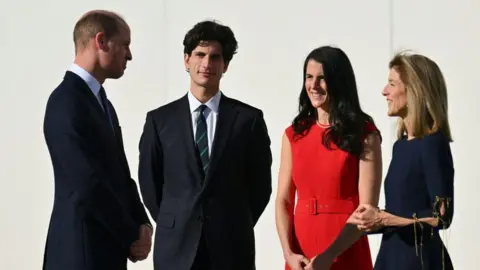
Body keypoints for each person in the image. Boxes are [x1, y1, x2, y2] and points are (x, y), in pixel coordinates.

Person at [138, 20, 272, 270]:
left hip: (231, 246)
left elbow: (260, 187)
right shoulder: (159, 120)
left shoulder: (248, 120)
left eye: (215, 57)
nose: (207, 64)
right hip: (176, 248)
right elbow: (149, 183)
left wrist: (231, 222)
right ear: (186, 60)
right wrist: (178, 221)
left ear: (226, 65)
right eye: (199, 54)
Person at [42, 10, 152, 270]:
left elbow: (120, 175)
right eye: (125, 44)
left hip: (105, 252)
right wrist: (129, 235)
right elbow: (86, 183)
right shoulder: (66, 102)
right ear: (101, 41)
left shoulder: (103, 104)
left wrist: (142, 223)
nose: (129, 55)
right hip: (79, 253)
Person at [275, 45, 383, 270]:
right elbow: (284, 200)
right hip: (300, 253)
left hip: (346, 248)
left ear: (339, 81)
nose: (313, 86)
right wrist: (289, 254)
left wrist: (330, 255)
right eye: (309, 77)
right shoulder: (293, 135)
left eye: (322, 78)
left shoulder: (364, 134)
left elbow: (366, 210)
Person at [350, 52, 455, 270]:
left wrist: (384, 219)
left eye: (392, 84)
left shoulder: (433, 143)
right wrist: (371, 221)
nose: (384, 91)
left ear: (414, 91)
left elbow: (442, 219)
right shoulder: (401, 146)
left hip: (420, 261)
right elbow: (399, 211)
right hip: (391, 257)